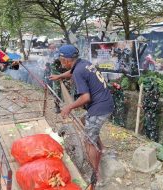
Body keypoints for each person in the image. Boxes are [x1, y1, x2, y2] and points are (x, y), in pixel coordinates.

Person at [49, 44, 114, 189]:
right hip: (106, 102)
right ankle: (102, 149)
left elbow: (85, 98)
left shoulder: (78, 71)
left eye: (61, 59)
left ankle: (97, 176)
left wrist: (68, 107)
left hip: (100, 108)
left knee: (88, 141)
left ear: (66, 59)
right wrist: (59, 76)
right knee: (86, 121)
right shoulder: (83, 63)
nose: (60, 61)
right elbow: (71, 72)